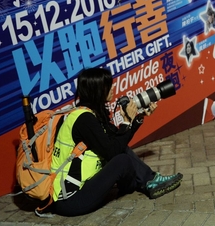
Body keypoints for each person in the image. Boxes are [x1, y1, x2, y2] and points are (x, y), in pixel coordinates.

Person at [50, 68, 183, 217]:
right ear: (97, 90)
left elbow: (116, 140)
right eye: (108, 85)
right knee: (122, 160)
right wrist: (126, 122)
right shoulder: (84, 119)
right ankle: (148, 181)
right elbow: (112, 151)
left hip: (81, 189)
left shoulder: (92, 112)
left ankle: (149, 180)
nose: (113, 88)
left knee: (121, 150)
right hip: (70, 198)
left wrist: (137, 118)